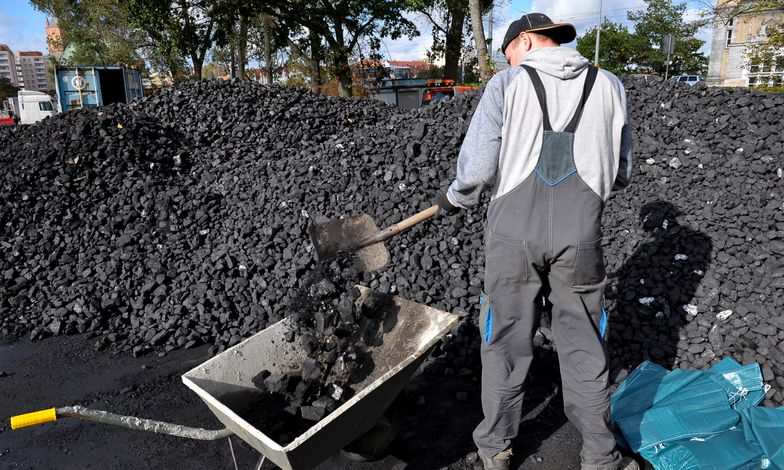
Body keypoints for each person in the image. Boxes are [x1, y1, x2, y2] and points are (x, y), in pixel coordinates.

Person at [433, 12, 636, 470]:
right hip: (581, 236)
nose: (508, 64)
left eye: (508, 54)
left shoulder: (507, 86)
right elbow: (622, 171)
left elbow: (479, 169)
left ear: (524, 40)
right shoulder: (611, 85)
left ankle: (496, 449)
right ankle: (600, 458)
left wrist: (455, 197)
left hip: (512, 237)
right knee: (585, 341)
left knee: (504, 340)